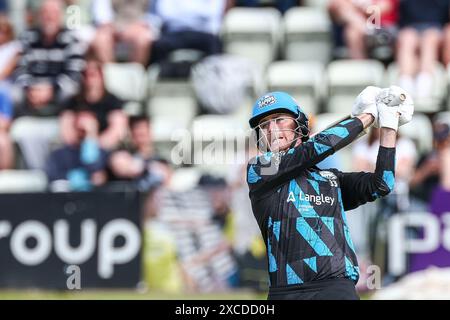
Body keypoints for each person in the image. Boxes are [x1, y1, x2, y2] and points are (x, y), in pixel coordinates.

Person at [246, 87, 414, 300]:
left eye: (279, 119)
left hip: (336, 289)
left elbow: (383, 183)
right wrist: (368, 116)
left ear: (299, 125)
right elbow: (314, 149)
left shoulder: (331, 180)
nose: (271, 128)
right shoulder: (259, 170)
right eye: (264, 125)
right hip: (286, 293)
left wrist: (389, 126)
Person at [12, 0, 86, 117]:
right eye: (45, 12)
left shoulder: (72, 39)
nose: (49, 17)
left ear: (61, 15)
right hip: (32, 91)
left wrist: (52, 90)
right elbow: (19, 68)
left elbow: (75, 74)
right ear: (39, 15)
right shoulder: (27, 37)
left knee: (71, 90)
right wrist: (29, 88)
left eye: (54, 12)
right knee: (12, 92)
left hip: (58, 92)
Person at [60, 58, 128, 151]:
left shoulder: (113, 101)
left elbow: (117, 130)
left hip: (105, 149)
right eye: (85, 75)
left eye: (92, 75)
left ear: (101, 77)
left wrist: (93, 145)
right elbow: (66, 128)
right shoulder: (73, 101)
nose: (89, 80)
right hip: (76, 148)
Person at [46, 108, 109, 191]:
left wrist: (90, 139)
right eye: (80, 129)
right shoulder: (58, 154)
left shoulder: (103, 154)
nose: (83, 134)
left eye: (89, 129)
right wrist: (77, 180)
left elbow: (95, 169)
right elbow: (54, 178)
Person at [396, 0, 449, 99]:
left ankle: (424, 84)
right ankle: (405, 85)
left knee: (429, 39)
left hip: (436, 28)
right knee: (406, 38)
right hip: (411, 29)